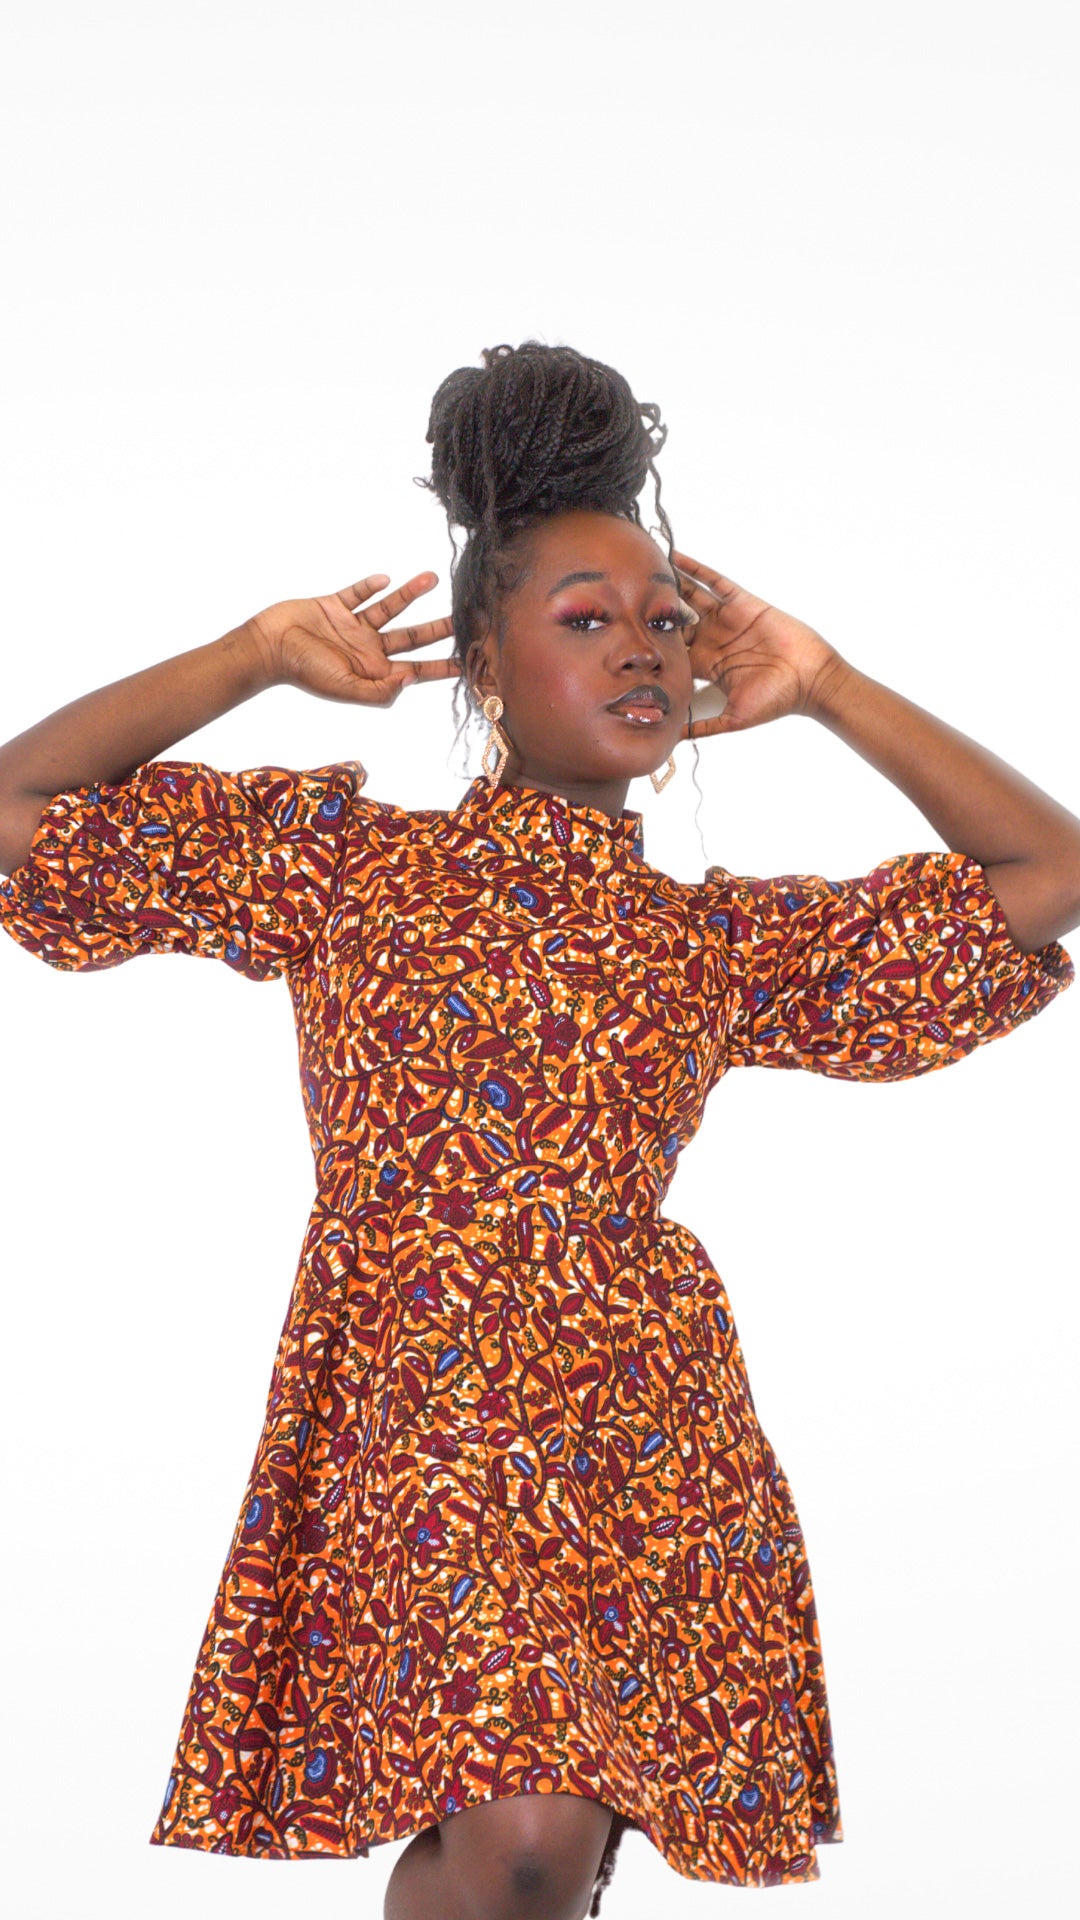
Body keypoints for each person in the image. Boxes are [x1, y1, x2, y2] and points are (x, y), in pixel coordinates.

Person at [0, 339, 1076, 1920]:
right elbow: (24, 821)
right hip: (416, 1384)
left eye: (665, 623)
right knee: (519, 1852)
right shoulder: (348, 871)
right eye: (586, 622)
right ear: (486, 666)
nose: (644, 654)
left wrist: (830, 686)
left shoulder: (707, 942)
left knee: (542, 1867)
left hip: (638, 1417)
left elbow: (1047, 879)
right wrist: (246, 657)